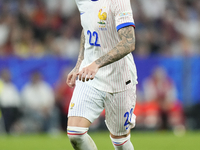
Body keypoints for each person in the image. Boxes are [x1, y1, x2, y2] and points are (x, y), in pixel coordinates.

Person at [66, 0, 137, 150]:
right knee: (75, 134)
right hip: (90, 76)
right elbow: (87, 28)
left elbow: (129, 42)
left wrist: (97, 64)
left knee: (120, 142)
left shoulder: (118, 1)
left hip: (119, 78)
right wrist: (79, 64)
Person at [0, 69, 21, 134]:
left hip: (13, 108)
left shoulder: (12, 86)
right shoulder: (1, 85)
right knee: (7, 113)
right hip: (3, 108)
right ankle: (7, 130)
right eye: (5, 76)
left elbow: (17, 99)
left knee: (17, 112)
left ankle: (14, 129)